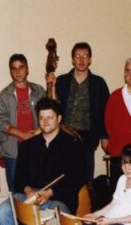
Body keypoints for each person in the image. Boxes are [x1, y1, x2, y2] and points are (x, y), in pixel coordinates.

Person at [0, 98, 86, 225]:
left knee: (51, 214)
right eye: (42, 118)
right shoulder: (28, 145)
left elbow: (77, 178)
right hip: (31, 194)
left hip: (58, 197)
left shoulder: (72, 145)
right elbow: (19, 178)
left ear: (59, 118)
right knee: (4, 210)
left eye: (49, 118)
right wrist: (28, 191)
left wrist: (49, 193)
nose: (45, 122)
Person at [47, 42, 110, 181]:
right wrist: (51, 86)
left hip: (88, 138)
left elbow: (106, 112)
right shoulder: (62, 81)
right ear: (72, 60)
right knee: (63, 177)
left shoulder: (99, 83)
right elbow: (53, 106)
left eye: (85, 56)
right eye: (77, 56)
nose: (81, 60)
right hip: (65, 136)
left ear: (90, 60)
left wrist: (104, 136)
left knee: (86, 179)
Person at [0, 54, 46, 191]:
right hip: (13, 150)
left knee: (38, 186)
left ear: (27, 69)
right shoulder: (4, 95)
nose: (18, 71)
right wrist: (21, 134)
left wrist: (37, 131)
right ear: (10, 72)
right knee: (16, 188)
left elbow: (49, 113)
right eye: (14, 68)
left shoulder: (38, 91)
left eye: (21, 67)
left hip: (36, 146)